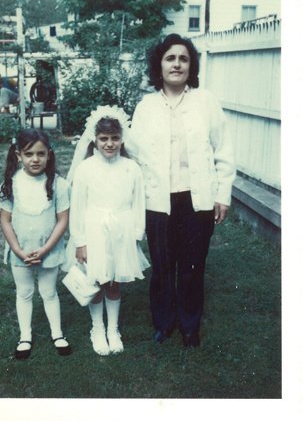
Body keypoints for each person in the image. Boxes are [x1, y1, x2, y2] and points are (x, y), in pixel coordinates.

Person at [127, 33, 236, 349]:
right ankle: (163, 322)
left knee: (192, 265)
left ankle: (190, 326)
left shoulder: (206, 102)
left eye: (184, 58)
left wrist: (222, 194)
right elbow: (134, 154)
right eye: (170, 58)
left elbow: (224, 150)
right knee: (162, 266)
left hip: (196, 199)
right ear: (159, 65)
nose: (177, 64)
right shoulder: (146, 106)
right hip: (157, 200)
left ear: (192, 66)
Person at [64, 105, 149, 356]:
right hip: (93, 230)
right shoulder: (85, 168)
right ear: (95, 139)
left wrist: (136, 233)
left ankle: (113, 329)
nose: (109, 144)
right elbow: (78, 206)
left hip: (122, 229)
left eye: (114, 138)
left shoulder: (131, 168)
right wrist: (80, 241)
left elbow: (138, 203)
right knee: (97, 278)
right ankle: (97, 329)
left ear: (122, 139)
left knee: (114, 280)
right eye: (104, 139)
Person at [0, 128, 72, 360]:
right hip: (21, 252)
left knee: (49, 292)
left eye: (40, 154)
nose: (35, 159)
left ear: (49, 154)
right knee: (24, 293)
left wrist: (45, 249)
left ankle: (57, 334)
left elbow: (62, 220)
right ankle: (25, 336)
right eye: (28, 154)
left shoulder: (59, 184)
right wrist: (17, 250)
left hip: (49, 250)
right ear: (19, 156)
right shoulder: (11, 183)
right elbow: (5, 221)